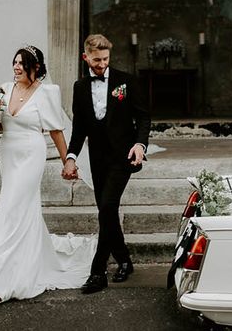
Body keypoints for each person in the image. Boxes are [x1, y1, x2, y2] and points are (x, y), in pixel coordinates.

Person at [0, 45, 96, 303]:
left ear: (36, 67)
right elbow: (1, 125)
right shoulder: (4, 89)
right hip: (9, 154)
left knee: (13, 208)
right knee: (18, 209)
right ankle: (15, 269)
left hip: (31, 154)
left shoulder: (47, 93)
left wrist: (68, 161)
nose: (16, 67)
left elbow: (56, 130)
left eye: (22, 63)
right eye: (15, 62)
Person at [62, 33, 151, 294]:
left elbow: (144, 118)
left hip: (123, 157)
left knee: (108, 207)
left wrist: (140, 144)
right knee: (107, 213)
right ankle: (124, 260)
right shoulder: (79, 88)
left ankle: (98, 272)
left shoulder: (126, 81)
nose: (101, 64)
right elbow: (79, 129)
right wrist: (70, 157)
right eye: (96, 59)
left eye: (105, 59)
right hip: (97, 160)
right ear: (85, 57)